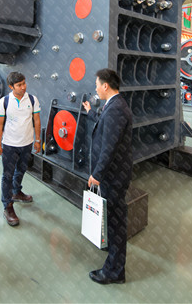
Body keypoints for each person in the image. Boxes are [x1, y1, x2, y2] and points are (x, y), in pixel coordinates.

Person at [82, 68, 133, 285]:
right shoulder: (114, 105)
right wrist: (90, 112)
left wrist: (97, 174)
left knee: (115, 222)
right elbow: (106, 125)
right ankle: (113, 256)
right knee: (113, 219)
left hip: (113, 175)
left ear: (105, 86)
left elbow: (109, 147)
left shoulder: (115, 110)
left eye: (97, 85)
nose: (95, 89)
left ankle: (114, 271)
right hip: (115, 173)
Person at [0, 72, 41, 226]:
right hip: (9, 145)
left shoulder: (32, 99)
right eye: (19, 85)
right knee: (7, 176)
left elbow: (37, 120)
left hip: (27, 144)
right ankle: (7, 206)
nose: (23, 87)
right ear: (11, 87)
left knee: (21, 170)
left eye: (24, 83)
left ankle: (16, 191)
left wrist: (38, 140)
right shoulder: (4, 101)